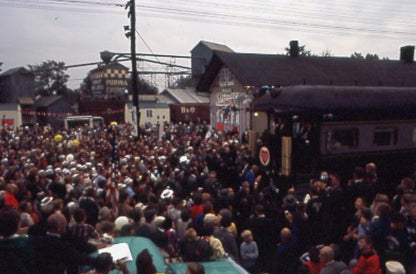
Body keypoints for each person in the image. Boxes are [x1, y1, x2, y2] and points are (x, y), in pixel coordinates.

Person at [31, 212, 97, 274]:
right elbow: (79, 258)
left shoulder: (36, 241)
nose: (66, 227)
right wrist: (99, 261)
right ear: (59, 228)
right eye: (65, 225)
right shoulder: (62, 246)